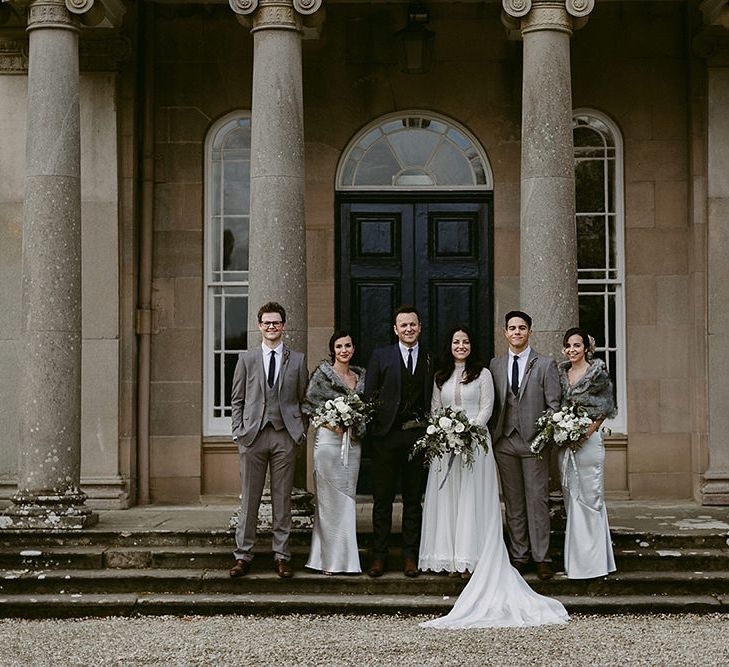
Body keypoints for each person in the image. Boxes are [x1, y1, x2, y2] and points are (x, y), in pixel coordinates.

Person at [229, 302, 309, 579]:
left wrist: (299, 431)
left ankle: (282, 556)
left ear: (283, 326)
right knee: (249, 499)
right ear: (259, 326)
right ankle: (243, 556)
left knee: (282, 499)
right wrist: (238, 431)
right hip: (252, 436)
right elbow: (237, 399)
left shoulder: (297, 360)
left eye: (276, 323)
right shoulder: (246, 359)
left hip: (285, 435)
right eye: (266, 323)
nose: (271, 327)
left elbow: (303, 400)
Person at [489, 310, 561, 580]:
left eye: (522, 328)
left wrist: (543, 439)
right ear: (505, 332)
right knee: (513, 502)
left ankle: (542, 557)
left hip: (534, 444)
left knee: (538, 501)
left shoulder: (545, 364)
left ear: (530, 332)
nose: (516, 332)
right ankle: (520, 555)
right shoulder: (495, 365)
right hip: (505, 442)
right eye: (512, 328)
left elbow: (554, 406)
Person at [419, 325, 494, 577]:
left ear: (472, 345)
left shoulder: (483, 374)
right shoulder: (441, 375)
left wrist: (468, 432)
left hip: (476, 444)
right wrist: (445, 432)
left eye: (465, 341)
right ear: (449, 346)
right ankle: (450, 558)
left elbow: (486, 408)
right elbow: (435, 408)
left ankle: (470, 558)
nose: (460, 346)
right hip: (446, 444)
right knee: (449, 499)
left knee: (470, 498)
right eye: (456, 342)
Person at [365, 305, 432, 578]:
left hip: (417, 436)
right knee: (382, 499)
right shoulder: (381, 356)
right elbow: (370, 395)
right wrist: (375, 432)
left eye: (412, 325)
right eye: (403, 325)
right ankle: (379, 556)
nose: (408, 329)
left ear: (419, 327)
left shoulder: (430, 357)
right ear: (395, 329)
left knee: (413, 499)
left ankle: (409, 555)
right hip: (386, 437)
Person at [302, 330, 365, 575]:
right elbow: (309, 406)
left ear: (353, 348)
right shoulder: (322, 376)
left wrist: (354, 422)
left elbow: (365, 410)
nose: (344, 350)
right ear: (333, 350)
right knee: (328, 503)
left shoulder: (360, 378)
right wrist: (333, 422)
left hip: (353, 445)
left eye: (348, 346)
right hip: (328, 444)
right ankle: (329, 561)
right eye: (339, 347)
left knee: (347, 501)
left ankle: (347, 559)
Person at [558, 327, 617, 579]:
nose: (572, 350)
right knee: (572, 497)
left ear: (586, 348)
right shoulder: (562, 374)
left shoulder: (597, 373)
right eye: (569, 346)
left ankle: (594, 564)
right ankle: (576, 562)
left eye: (577, 345)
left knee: (590, 497)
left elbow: (606, 408)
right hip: (566, 444)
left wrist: (585, 432)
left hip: (589, 443)